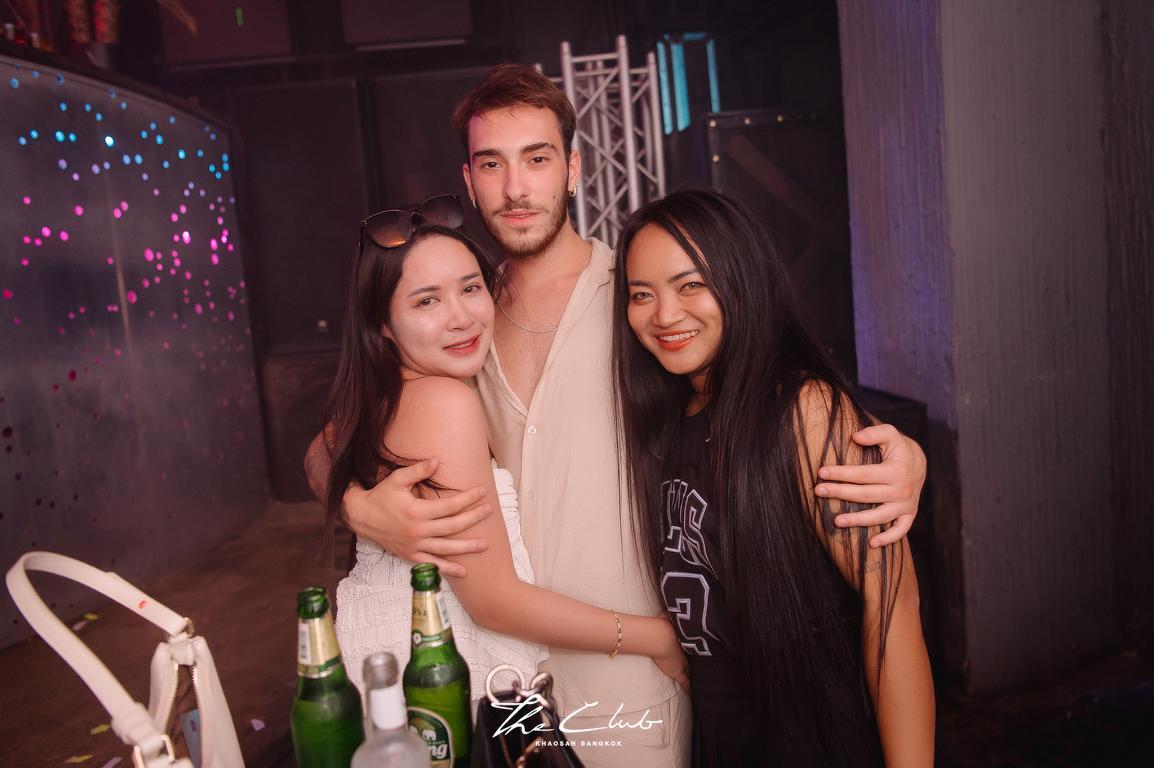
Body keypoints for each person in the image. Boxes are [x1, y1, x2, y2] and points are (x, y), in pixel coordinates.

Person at [307, 63, 929, 768]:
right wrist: (358, 504)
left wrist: (900, 457)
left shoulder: (641, 297)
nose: (516, 188)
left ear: (572, 169)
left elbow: (768, 390)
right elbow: (333, 440)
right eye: (492, 164)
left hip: (636, 683)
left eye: (537, 159)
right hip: (511, 688)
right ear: (470, 181)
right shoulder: (462, 319)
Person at [613, 188, 935, 766]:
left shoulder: (805, 410)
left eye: (691, 285)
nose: (664, 315)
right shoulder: (665, 420)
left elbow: (893, 608)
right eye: (642, 294)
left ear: (740, 282)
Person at [323, 196, 688, 700]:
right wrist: (657, 637)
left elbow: (325, 446)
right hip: (444, 689)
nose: (461, 317)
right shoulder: (444, 402)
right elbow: (494, 602)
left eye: (470, 288)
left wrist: (350, 502)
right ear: (382, 322)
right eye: (426, 301)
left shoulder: (384, 395)